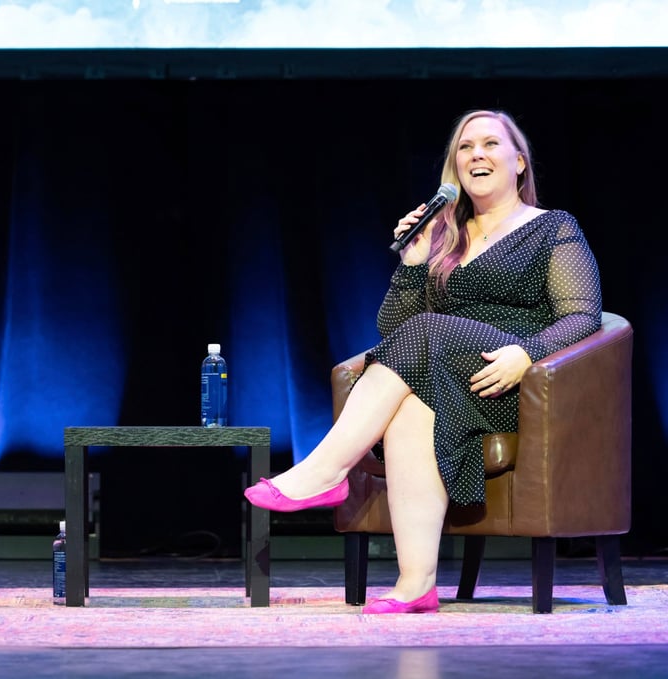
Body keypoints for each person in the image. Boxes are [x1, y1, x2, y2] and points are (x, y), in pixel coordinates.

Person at [244, 110, 602, 614]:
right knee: (409, 404)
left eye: (490, 144)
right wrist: (414, 264)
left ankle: (325, 471)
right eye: (464, 147)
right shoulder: (446, 237)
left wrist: (526, 354)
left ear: (519, 162)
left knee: (427, 333)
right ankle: (417, 585)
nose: (476, 154)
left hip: (506, 381)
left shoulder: (552, 228)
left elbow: (583, 315)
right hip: (444, 375)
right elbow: (394, 334)